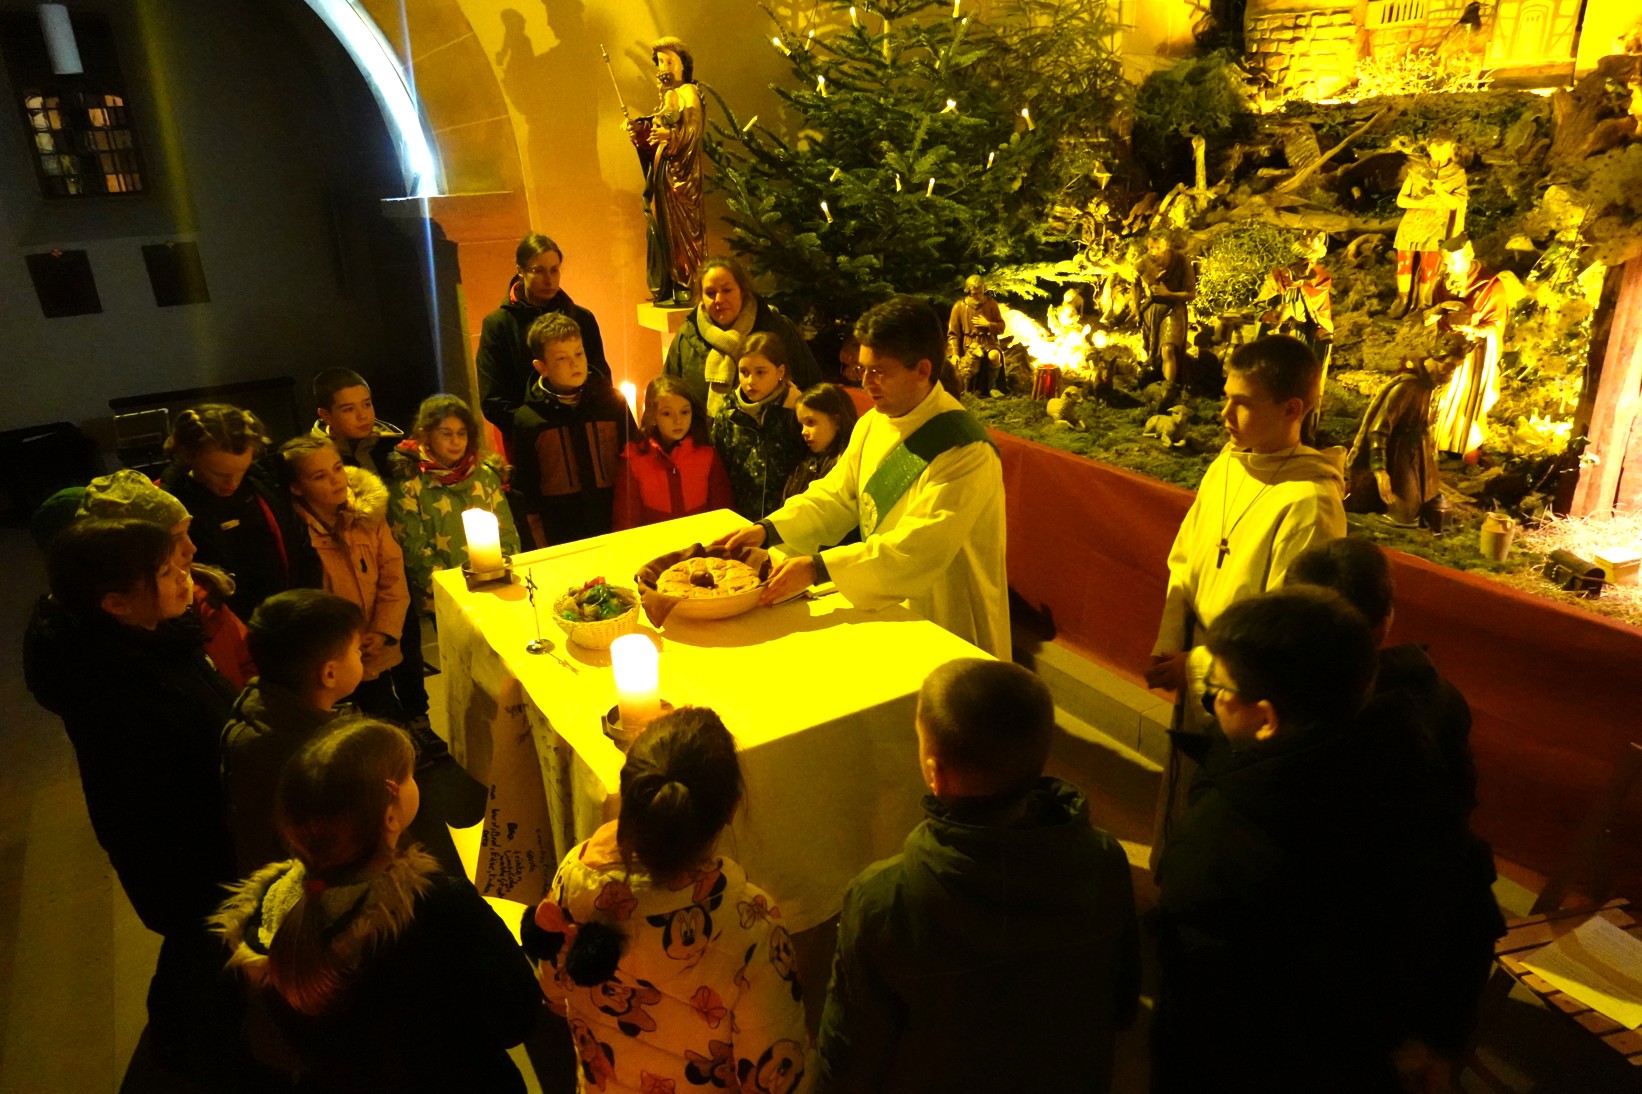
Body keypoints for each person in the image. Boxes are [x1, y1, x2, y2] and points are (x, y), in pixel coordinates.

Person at [817, 659, 1139, 1093]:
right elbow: (1120, 1003)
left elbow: (851, 1055)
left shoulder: (881, 900)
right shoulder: (1104, 860)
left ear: (935, 773)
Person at [1153, 587, 1400, 1093]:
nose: (1213, 698)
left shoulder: (1223, 836)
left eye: (1219, 686)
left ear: (1265, 718)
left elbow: (1198, 994)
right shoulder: (1394, 773)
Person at [212, 718, 541, 1092]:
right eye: (409, 774)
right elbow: (516, 1017)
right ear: (390, 814)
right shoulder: (438, 908)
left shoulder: (273, 918)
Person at [24, 519, 239, 1073]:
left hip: (207, 845)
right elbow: (168, 790)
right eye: (166, 572)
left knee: (201, 954)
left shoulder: (154, 639)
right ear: (117, 603)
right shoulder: (118, 688)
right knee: (202, 954)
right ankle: (189, 1055)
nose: (185, 575)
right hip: (189, 858)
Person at [521, 707, 814, 1094]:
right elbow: (774, 1079)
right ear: (731, 808)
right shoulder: (752, 928)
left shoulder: (574, 878)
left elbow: (556, 995)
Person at [1144, 334, 1346, 859]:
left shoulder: (1309, 504)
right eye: (1225, 397)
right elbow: (1185, 557)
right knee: (1181, 799)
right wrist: (1171, 642)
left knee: (1218, 820)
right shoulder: (1228, 464)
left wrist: (1199, 663)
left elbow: (1289, 631)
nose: (1224, 415)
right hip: (1197, 655)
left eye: (1241, 403)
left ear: (1292, 408)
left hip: (1245, 687)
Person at [722, 295, 1009, 660]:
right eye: (862, 370)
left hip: (946, 615)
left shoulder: (964, 450)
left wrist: (818, 568)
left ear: (922, 369)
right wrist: (767, 530)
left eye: (879, 371)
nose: (867, 383)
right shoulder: (876, 420)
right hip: (884, 601)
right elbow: (837, 495)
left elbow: (916, 550)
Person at [279, 436, 419, 739]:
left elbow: (393, 577)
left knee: (384, 715)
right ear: (296, 487)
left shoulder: (367, 517)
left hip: (371, 646)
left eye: (338, 468)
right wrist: (341, 643)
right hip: (330, 656)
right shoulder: (298, 534)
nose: (336, 481)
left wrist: (383, 630)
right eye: (320, 476)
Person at [222, 589, 367, 874]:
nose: (362, 655)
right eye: (357, 650)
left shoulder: (257, 708)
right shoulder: (318, 759)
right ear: (329, 674)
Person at [72, 468, 258, 689]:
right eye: (174, 539)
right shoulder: (117, 663)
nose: (191, 548)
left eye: (188, 532)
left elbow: (248, 660)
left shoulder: (200, 594)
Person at [157, 402, 318, 619]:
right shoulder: (171, 509)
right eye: (219, 473)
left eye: (241, 470)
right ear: (187, 455)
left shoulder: (266, 482)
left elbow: (300, 551)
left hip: (286, 618)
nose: (232, 483)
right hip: (227, 629)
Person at [386, 393, 521, 613]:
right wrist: (454, 589)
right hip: (444, 596)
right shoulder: (410, 484)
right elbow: (415, 551)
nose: (455, 441)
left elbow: (506, 530)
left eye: (461, 433)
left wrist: (499, 575)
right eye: (446, 434)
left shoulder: (485, 476)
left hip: (495, 585)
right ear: (426, 434)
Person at [511, 312, 637, 547]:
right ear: (542, 367)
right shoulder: (529, 421)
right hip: (562, 533)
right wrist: (539, 543)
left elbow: (636, 461)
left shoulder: (611, 404)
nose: (574, 363)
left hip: (616, 523)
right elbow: (526, 491)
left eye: (578, 353)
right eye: (561, 358)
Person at [476, 233, 611, 434]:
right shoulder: (498, 325)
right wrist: (534, 426)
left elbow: (601, 377)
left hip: (584, 427)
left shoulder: (582, 318)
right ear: (520, 271)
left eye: (554, 270)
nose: (549, 280)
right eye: (538, 271)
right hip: (530, 435)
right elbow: (493, 401)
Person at [664, 256, 820, 417]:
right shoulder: (687, 336)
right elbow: (669, 395)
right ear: (701, 298)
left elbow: (810, 387)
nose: (718, 299)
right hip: (703, 439)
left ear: (742, 291)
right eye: (710, 293)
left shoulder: (777, 328)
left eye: (727, 290)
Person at [1345, 331, 1467, 528]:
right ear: (1437, 357)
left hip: (1417, 455)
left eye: (1456, 368)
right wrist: (1380, 472)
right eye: (1449, 366)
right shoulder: (1407, 386)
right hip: (1399, 458)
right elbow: (1378, 430)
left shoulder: (1427, 385)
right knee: (1404, 516)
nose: (1451, 373)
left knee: (1430, 507)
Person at [627, 37, 705, 304]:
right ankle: (668, 282)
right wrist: (640, 132)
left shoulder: (689, 94)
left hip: (681, 178)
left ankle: (685, 279)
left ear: (683, 65)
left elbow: (692, 133)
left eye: (670, 61)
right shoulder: (668, 97)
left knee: (681, 229)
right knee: (661, 226)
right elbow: (656, 132)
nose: (664, 67)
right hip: (664, 172)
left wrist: (671, 137)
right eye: (660, 61)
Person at [612, 375, 734, 529]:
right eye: (667, 413)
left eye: (684, 412)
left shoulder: (707, 456)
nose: (678, 420)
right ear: (653, 416)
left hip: (703, 545)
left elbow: (723, 513)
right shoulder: (634, 459)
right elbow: (626, 522)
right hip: (656, 548)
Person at [710, 330, 808, 521]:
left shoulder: (797, 412)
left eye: (760, 372)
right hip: (739, 517)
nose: (750, 381)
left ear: (779, 372)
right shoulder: (728, 413)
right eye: (744, 372)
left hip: (786, 518)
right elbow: (718, 470)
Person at [1429, 236, 1505, 456]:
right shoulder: (1444, 281)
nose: (1448, 268)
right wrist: (1441, 312)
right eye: (1446, 263)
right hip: (1446, 345)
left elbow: (1495, 323)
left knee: (1467, 399)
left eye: (1453, 262)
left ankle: (1467, 446)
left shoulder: (1490, 285)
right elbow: (1435, 310)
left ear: (1468, 258)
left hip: (1475, 354)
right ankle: (1439, 442)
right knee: (1442, 396)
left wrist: (1473, 330)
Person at [1389, 128, 1467, 319]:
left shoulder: (1456, 173)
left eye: (1443, 150)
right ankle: (1402, 300)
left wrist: (1440, 191)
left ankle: (1424, 302)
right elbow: (1401, 200)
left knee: (1429, 264)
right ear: (1429, 149)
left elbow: (1455, 203)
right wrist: (1420, 203)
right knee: (1404, 263)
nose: (1438, 154)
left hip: (1436, 225)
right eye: (1434, 150)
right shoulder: (1417, 170)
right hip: (1412, 223)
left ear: (1451, 150)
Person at [1134, 231, 1196, 409]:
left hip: (1173, 308)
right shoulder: (1142, 263)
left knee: (1168, 349)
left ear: (1167, 245)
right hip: (1152, 310)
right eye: (1151, 247)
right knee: (1152, 353)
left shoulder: (1182, 262)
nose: (1154, 251)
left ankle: (1169, 391)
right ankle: (1154, 388)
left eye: (1158, 247)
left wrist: (1169, 294)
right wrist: (1136, 308)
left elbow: (1191, 294)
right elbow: (1135, 285)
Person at [310, 367, 405, 478]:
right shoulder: (314, 460)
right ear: (326, 416)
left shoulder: (395, 445)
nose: (362, 416)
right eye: (349, 409)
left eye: (367, 404)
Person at [783, 383, 859, 502]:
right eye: (801, 425)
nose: (804, 432)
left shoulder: (849, 465)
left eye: (811, 422)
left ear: (837, 421)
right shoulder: (806, 460)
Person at [946, 274, 1005, 396]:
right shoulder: (960, 306)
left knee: (994, 356)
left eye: (980, 292)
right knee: (964, 365)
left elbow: (1001, 327)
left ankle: (992, 387)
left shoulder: (991, 304)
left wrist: (989, 324)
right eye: (974, 293)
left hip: (987, 341)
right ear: (969, 291)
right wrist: (955, 353)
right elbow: (953, 333)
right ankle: (966, 389)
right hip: (969, 344)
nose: (977, 296)